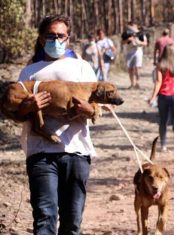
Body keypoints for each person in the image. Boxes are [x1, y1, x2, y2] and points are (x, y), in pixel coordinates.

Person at [18, 15, 98, 235]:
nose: (56, 40)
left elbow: (99, 107)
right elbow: (12, 110)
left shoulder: (82, 68)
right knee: (45, 218)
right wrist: (27, 106)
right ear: (42, 39)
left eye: (60, 36)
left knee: (72, 222)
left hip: (77, 152)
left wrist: (89, 111)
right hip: (40, 152)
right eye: (51, 36)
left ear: (68, 38)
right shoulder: (29, 72)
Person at [122, 22, 147, 89]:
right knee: (130, 68)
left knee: (137, 68)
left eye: (132, 25)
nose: (131, 27)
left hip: (138, 51)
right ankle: (132, 84)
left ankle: (137, 83)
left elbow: (145, 43)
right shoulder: (126, 33)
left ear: (135, 25)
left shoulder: (141, 34)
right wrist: (128, 40)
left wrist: (138, 42)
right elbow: (122, 42)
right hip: (129, 52)